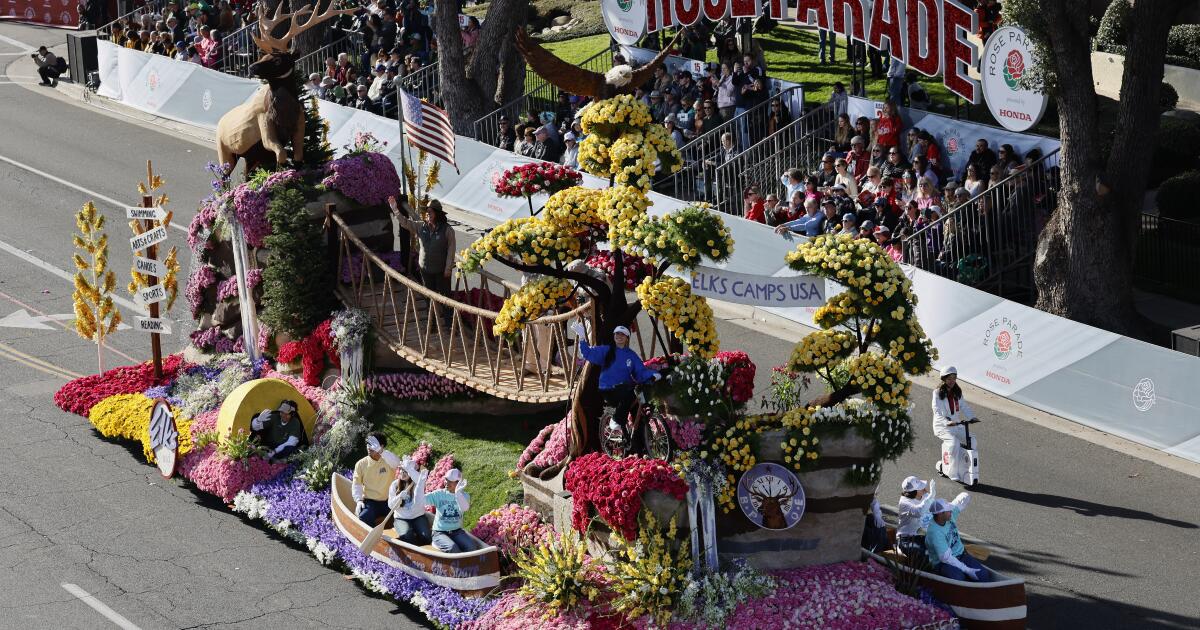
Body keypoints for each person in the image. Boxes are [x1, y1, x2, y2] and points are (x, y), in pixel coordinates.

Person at [572, 324, 662, 436]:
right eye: (617, 334)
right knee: (630, 395)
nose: (619, 336)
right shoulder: (607, 350)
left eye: (623, 334)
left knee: (638, 411)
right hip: (609, 389)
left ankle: (640, 445)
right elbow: (588, 353)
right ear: (614, 336)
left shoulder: (631, 355)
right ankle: (616, 420)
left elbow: (640, 371)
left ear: (627, 338)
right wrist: (582, 338)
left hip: (625, 388)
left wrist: (653, 375)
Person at [387, 197, 456, 301]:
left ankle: (448, 317)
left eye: (430, 212)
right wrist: (395, 209)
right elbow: (405, 222)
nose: (427, 214)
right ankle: (431, 317)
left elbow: (451, 249)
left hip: (441, 271)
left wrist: (448, 268)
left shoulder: (447, 230)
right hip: (425, 270)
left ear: (438, 214)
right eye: (426, 212)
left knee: (445, 298)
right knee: (428, 297)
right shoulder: (421, 226)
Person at [925, 495, 991, 582]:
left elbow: (963, 500)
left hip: (961, 554)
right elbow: (946, 558)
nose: (951, 511)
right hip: (943, 563)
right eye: (948, 510)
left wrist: (964, 496)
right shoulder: (935, 532)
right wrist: (967, 570)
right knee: (959, 579)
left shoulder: (948, 516)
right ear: (940, 514)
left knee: (984, 576)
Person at [932, 366, 980, 483]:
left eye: (954, 378)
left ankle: (965, 468)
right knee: (954, 443)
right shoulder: (937, 393)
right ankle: (952, 471)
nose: (952, 381)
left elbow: (964, 406)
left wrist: (972, 417)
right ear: (943, 379)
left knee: (972, 440)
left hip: (957, 425)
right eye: (949, 378)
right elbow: (937, 411)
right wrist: (947, 422)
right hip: (942, 426)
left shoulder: (957, 392)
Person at [353, 433, 402, 526]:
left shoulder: (388, 459)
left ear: (381, 446)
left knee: (404, 516)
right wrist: (358, 500)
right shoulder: (361, 464)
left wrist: (381, 451)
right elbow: (357, 484)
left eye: (372, 444)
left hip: (389, 500)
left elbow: (396, 463)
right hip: (371, 503)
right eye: (368, 443)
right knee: (364, 517)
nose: (368, 447)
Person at [426, 468, 476, 552]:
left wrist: (458, 494)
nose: (446, 482)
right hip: (440, 532)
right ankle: (437, 542)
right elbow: (421, 500)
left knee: (471, 547)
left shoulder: (465, 496)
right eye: (446, 479)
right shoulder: (439, 494)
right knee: (453, 549)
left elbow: (465, 508)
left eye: (450, 481)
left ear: (458, 483)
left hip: (457, 531)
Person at [388, 456, 432, 546]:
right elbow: (390, 505)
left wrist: (410, 469)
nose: (402, 473)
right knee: (407, 535)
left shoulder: (417, 483)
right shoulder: (395, 485)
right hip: (401, 518)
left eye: (405, 471)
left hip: (418, 517)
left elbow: (420, 480)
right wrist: (398, 497)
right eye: (401, 470)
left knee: (427, 537)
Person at [896, 475, 937, 560]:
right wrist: (930, 497)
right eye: (921, 487)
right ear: (914, 491)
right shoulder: (904, 503)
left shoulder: (924, 496)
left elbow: (935, 508)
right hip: (907, 539)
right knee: (926, 556)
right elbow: (919, 512)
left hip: (923, 535)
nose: (924, 488)